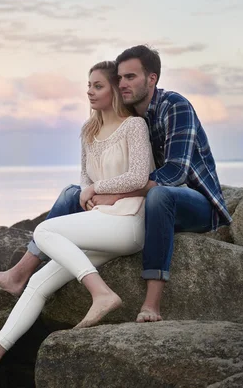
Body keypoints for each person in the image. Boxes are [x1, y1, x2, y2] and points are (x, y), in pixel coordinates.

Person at [0, 60, 155, 373]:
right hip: (101, 223)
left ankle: (101, 293)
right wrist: (91, 193)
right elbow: (85, 180)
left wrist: (98, 189)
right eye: (88, 85)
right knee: (39, 281)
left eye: (97, 86)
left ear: (114, 89)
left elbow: (140, 176)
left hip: (128, 224)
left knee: (45, 232)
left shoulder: (135, 126)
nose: (90, 92)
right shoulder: (89, 131)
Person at [88, 45, 232, 322]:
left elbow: (175, 173)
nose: (123, 84)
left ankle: (151, 304)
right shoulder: (129, 117)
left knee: (161, 195)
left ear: (151, 79)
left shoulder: (175, 106)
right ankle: (30, 264)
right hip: (146, 202)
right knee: (75, 194)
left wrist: (115, 195)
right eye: (119, 78)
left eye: (131, 77)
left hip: (196, 203)